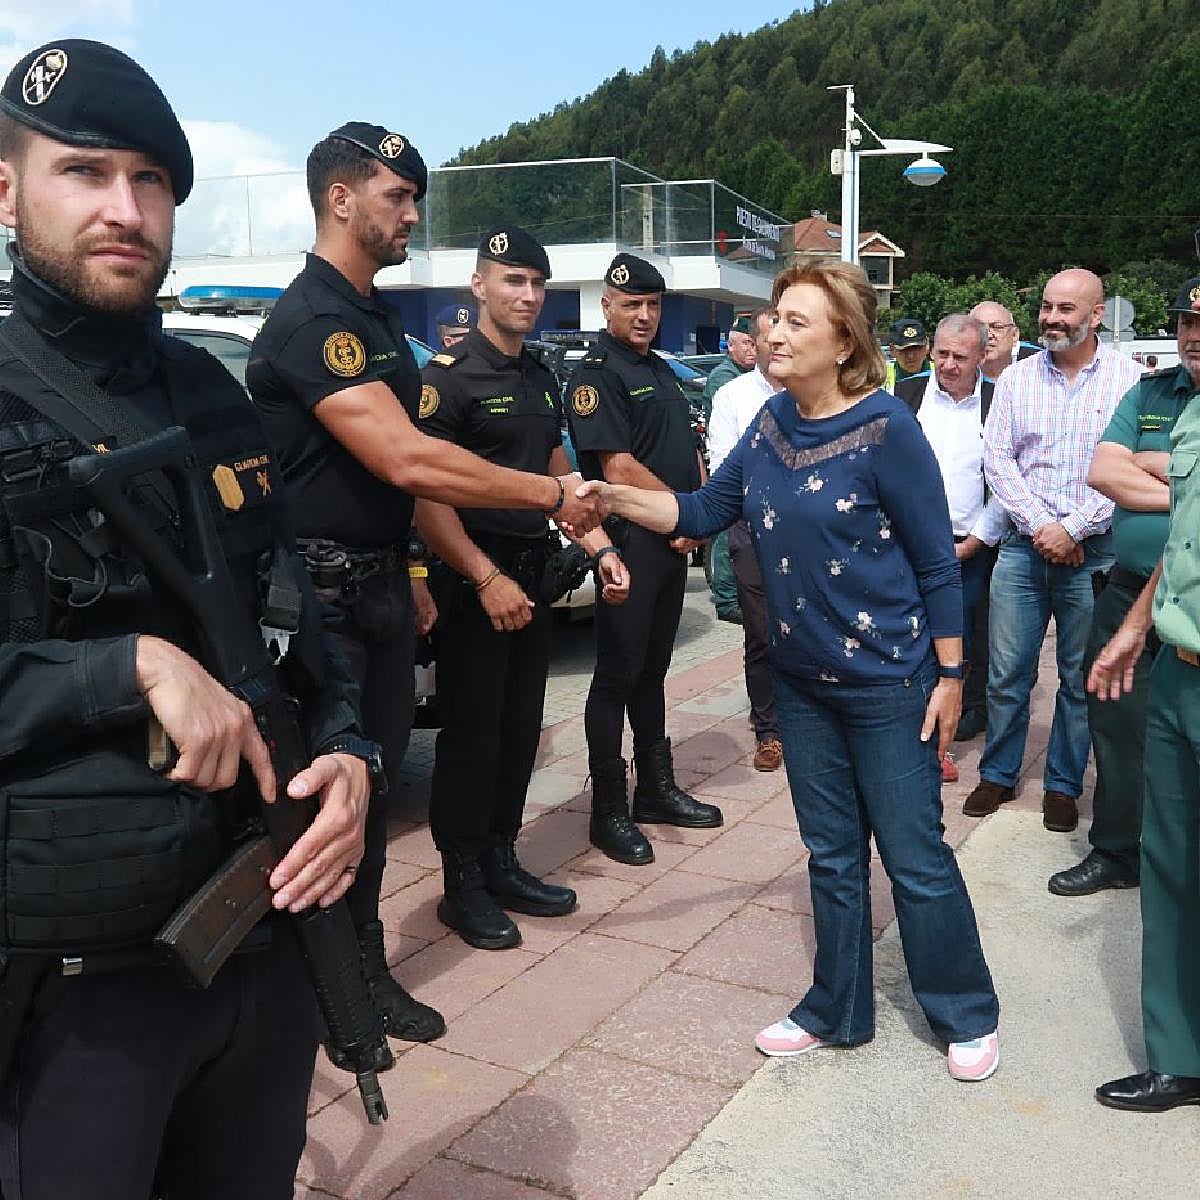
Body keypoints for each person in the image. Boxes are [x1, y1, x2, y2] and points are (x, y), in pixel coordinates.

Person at [0, 40, 374, 1197]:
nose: (126, 207)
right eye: (87, 171)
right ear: (5, 189)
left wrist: (355, 755)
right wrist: (123, 668)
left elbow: (301, 624)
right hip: (72, 990)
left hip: (258, 938)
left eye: (153, 181)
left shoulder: (210, 394)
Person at [580, 260, 1000, 1080]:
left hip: (890, 685)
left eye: (796, 321)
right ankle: (836, 1010)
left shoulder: (888, 429)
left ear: (845, 341)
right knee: (832, 854)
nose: (773, 330)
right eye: (774, 315)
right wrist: (609, 497)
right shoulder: (772, 421)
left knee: (914, 857)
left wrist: (951, 676)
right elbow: (702, 511)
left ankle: (964, 1012)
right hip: (803, 684)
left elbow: (937, 565)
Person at [247, 126, 601, 1043]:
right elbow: (406, 457)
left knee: (371, 794)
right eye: (397, 196)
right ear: (340, 199)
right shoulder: (314, 321)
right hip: (320, 606)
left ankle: (360, 973)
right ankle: (333, 993)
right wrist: (551, 493)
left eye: (414, 198)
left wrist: (410, 571)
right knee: (334, 802)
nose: (412, 214)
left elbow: (383, 483)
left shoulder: (371, 319)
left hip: (378, 594)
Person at [414, 225, 630, 949]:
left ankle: (502, 860)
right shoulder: (446, 378)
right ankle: (462, 884)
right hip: (475, 577)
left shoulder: (539, 375)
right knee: (472, 735)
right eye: (512, 281)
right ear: (479, 286)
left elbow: (557, 467)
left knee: (518, 731)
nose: (528, 295)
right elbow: (427, 493)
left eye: (536, 284)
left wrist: (598, 544)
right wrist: (484, 576)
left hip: (533, 573)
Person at [964, 270, 1143, 832]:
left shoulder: (1128, 381)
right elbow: (999, 460)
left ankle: (1063, 785)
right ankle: (998, 772)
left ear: (1095, 316)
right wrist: (1043, 525)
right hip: (1023, 549)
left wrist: (1075, 529)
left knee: (1079, 675)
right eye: (1046, 307)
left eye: (1066, 309)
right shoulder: (1017, 379)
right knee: (1006, 673)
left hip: (1095, 553)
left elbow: (1128, 472)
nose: (1052, 319)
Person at [565, 252, 722, 866]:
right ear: (606, 304)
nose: (645, 315)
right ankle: (608, 809)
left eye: (653, 305)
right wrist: (687, 513)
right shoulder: (595, 374)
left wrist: (696, 510)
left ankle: (655, 788)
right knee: (617, 674)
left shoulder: (657, 368)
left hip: (670, 542)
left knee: (654, 670)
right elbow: (617, 468)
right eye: (632, 304)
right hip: (630, 544)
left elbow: (685, 449)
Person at [1049, 278, 1200, 899]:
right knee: (1113, 720)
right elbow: (1103, 472)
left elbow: (1128, 469)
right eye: (1187, 324)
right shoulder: (1151, 392)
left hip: (1190, 603)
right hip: (1130, 587)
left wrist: (1156, 467)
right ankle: (1116, 851)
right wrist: (1188, 493)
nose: (1194, 336)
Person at [1088, 278, 1200, 1114]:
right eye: (1188, 320)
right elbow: (1187, 533)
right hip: (1177, 669)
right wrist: (1138, 623)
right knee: (1169, 867)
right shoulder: (1184, 410)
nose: (1195, 334)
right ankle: (1180, 1057)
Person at [894, 316, 1007, 762]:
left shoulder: (999, 402)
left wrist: (976, 541)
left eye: (961, 356)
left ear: (982, 356)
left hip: (972, 543)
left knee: (967, 631)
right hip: (909, 543)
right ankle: (911, 704)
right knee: (912, 629)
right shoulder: (906, 397)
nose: (949, 364)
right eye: (942, 354)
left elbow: (1005, 479)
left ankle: (967, 709)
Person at [706, 305, 782, 772]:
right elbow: (723, 471)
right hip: (751, 531)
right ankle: (768, 731)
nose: (779, 348)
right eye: (770, 340)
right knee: (761, 632)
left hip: (810, 538)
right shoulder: (733, 397)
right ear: (754, 344)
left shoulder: (815, 394)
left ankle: (810, 723)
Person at [700, 313, 756, 418]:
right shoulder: (723, 375)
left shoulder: (752, 372)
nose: (752, 349)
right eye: (746, 343)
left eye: (754, 344)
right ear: (730, 345)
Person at [969, 301, 1039, 380]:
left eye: (997, 327)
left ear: (1014, 335)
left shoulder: (1039, 361)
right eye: (979, 329)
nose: (988, 335)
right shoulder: (956, 368)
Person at [884, 316, 929, 391]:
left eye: (916, 348)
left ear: (927, 346)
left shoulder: (940, 373)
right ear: (892, 349)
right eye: (904, 350)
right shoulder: (881, 378)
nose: (911, 356)